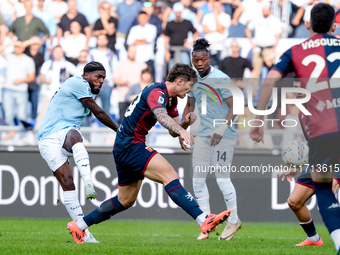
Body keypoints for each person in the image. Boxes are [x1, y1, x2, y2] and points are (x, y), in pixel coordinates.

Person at [66, 63, 231, 244]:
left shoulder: (172, 99)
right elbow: (161, 116)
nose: (190, 92)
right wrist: (183, 131)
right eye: (190, 87)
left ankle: (79, 226)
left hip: (125, 145)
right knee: (169, 174)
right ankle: (203, 219)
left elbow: (172, 130)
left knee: (125, 200)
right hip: (130, 144)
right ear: (181, 81)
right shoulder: (156, 92)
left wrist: (184, 124)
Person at [249, 3, 340, 252]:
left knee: (329, 187)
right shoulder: (307, 109)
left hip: (330, 141)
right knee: (294, 201)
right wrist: (301, 165)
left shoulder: (296, 52)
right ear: (334, 24)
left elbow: (268, 82)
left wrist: (258, 121)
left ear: (307, 24)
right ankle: (314, 238)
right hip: (324, 145)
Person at [37, 61, 119, 243]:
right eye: (98, 77)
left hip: (63, 133)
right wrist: (120, 131)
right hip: (48, 138)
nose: (101, 81)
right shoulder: (78, 83)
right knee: (67, 182)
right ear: (86, 75)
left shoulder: (85, 90)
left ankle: (81, 227)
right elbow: (97, 111)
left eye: (103, 78)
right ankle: (84, 231)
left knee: (74, 134)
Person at [181, 38, 241, 240]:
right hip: (203, 136)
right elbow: (189, 107)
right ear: (192, 59)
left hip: (224, 136)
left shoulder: (221, 79)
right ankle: (207, 223)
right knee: (197, 181)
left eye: (203, 59)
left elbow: (236, 106)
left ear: (209, 59)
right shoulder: (193, 81)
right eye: (196, 60)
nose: (199, 63)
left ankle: (234, 222)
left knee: (222, 179)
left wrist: (221, 129)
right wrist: (184, 128)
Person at [279, 77, 340, 246]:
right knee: (294, 202)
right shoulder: (301, 114)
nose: (299, 92)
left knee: (329, 199)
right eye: (296, 88)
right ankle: (314, 239)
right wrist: (296, 167)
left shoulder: (326, 109)